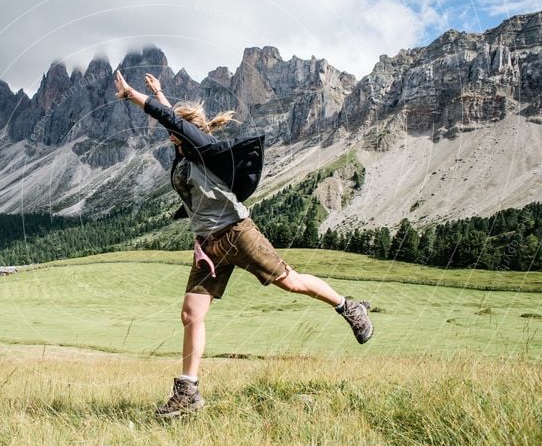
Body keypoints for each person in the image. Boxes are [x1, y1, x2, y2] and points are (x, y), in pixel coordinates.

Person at [113, 69, 374, 419]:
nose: (169, 136)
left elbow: (169, 119)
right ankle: (188, 392)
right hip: (208, 247)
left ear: (185, 133)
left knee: (290, 281)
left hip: (237, 232)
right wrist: (160, 93)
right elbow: (170, 122)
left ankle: (350, 307)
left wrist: (133, 95)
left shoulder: (202, 148)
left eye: (174, 131)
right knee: (191, 314)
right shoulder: (182, 154)